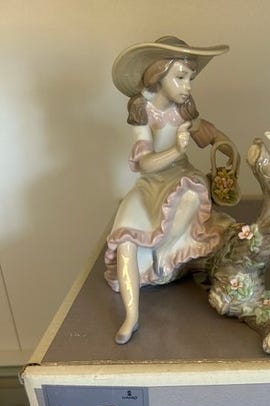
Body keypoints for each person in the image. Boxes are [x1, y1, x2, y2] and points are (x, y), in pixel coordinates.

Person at [104, 36, 237, 344]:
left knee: (191, 191)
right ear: (159, 75)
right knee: (125, 236)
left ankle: (164, 257)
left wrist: (228, 149)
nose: (187, 86)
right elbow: (144, 163)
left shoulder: (184, 110)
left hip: (182, 176)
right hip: (151, 182)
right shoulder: (142, 111)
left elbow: (208, 135)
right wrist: (176, 149)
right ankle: (131, 316)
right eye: (181, 77)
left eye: (190, 78)